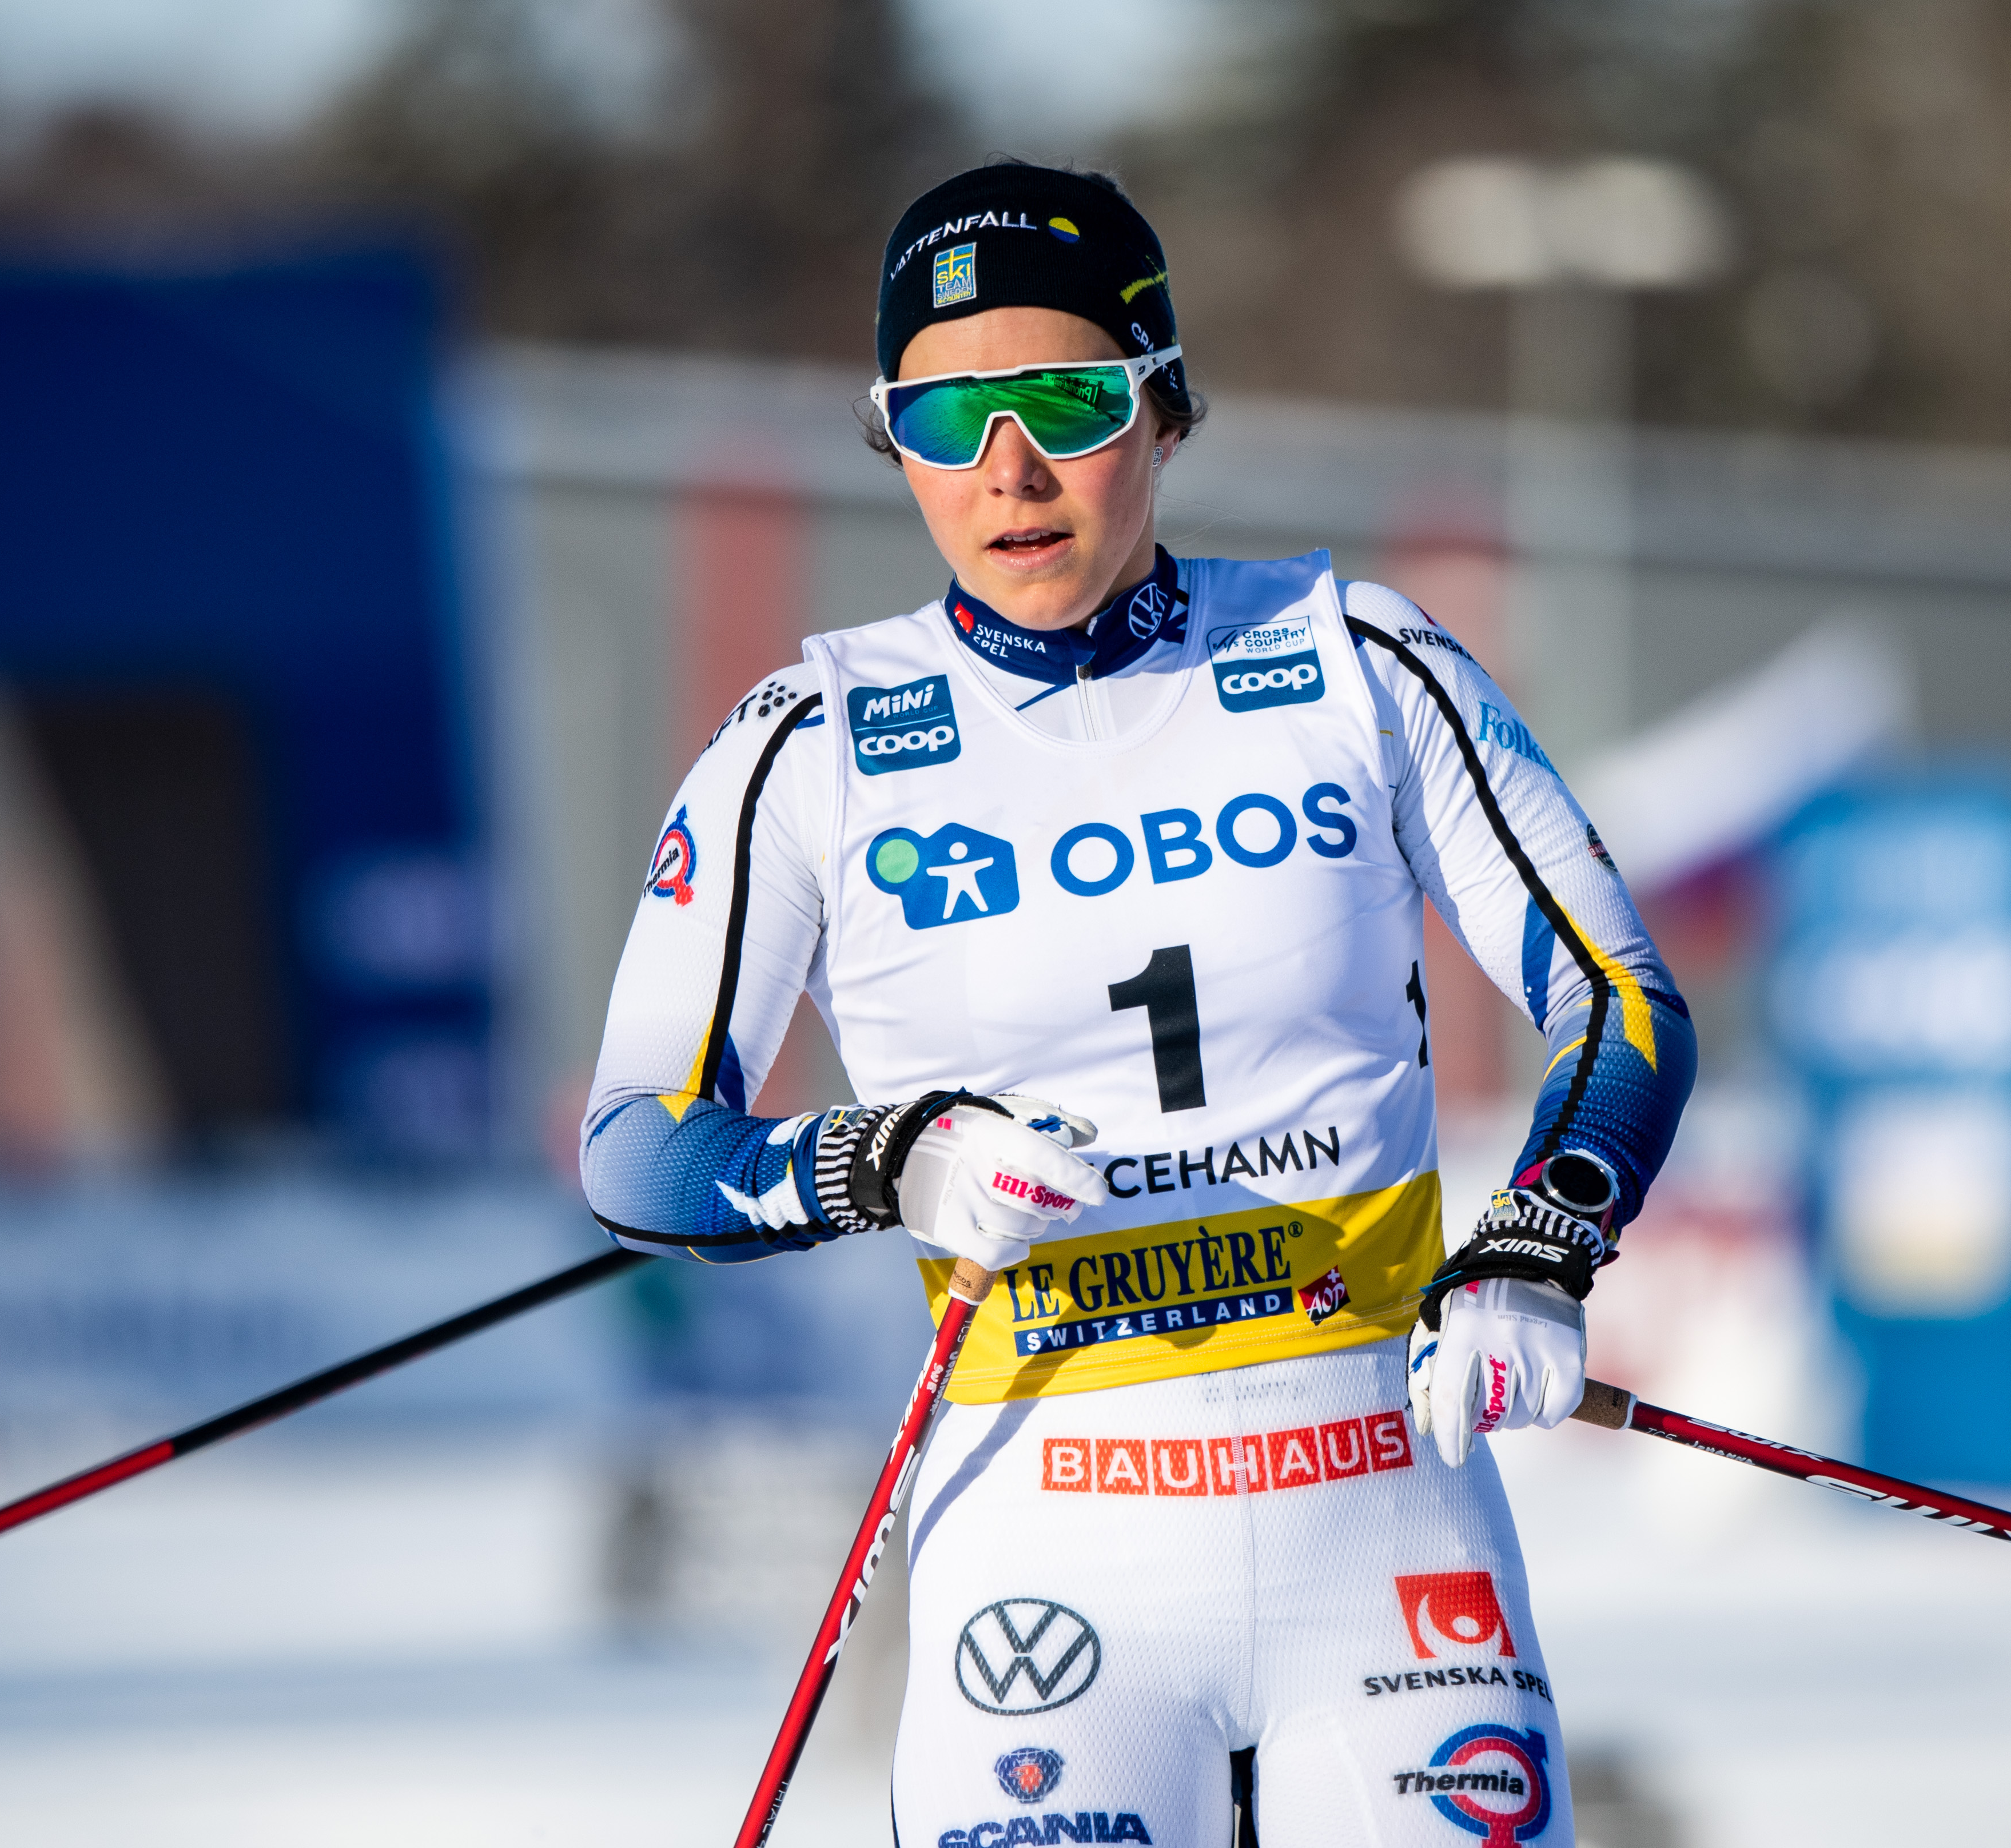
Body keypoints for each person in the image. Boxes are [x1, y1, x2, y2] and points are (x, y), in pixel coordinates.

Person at [582, 160, 1694, 1847]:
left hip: (1379, 1514)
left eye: (1068, 399)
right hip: (1044, 1544)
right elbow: (635, 1149)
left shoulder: (1359, 660)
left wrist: (1543, 1244)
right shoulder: (803, 748)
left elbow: (1618, 997)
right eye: (946, 417)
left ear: (1164, 409)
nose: (1008, 469)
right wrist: (876, 1165)